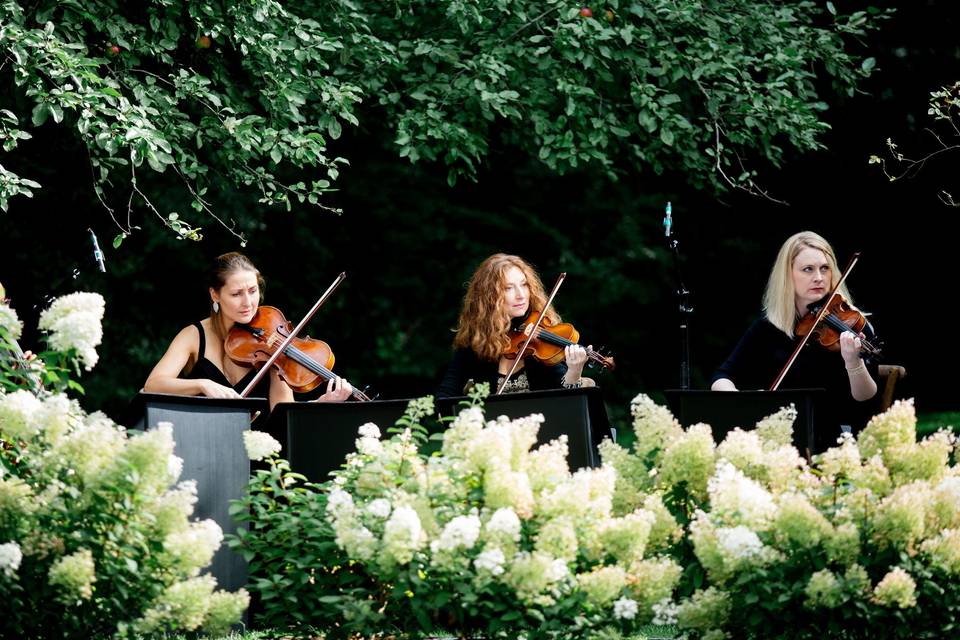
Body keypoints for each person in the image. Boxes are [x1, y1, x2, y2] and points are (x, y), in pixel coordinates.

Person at [710, 231, 879, 444]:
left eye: (824, 268)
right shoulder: (768, 327)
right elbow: (722, 376)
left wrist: (853, 362)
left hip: (839, 438)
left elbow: (867, 398)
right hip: (782, 439)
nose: (819, 277)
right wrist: (745, 402)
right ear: (787, 275)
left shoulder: (853, 324)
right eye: (808, 269)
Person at [144, 252, 352, 410]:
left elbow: (282, 413)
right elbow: (153, 384)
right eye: (236, 294)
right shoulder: (193, 336)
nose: (248, 303)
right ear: (215, 294)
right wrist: (202, 385)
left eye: (253, 291)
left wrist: (321, 403)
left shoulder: (272, 339)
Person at [437, 253, 589, 398]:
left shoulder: (538, 333)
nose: (521, 295)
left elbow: (564, 399)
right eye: (508, 288)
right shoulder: (477, 342)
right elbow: (447, 393)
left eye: (524, 285)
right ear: (489, 297)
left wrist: (574, 371)